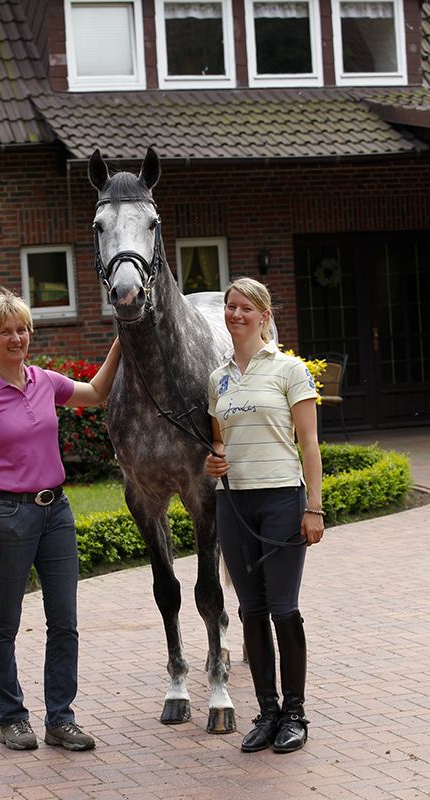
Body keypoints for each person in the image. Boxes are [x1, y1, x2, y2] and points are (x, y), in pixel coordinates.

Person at [0, 288, 121, 752]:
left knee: (64, 621)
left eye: (22, 329)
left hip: (57, 514)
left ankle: (60, 719)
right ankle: (12, 718)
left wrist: (121, 341)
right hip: (7, 516)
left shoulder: (45, 381)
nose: (16, 338)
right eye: (5, 331)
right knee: (4, 623)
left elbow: (96, 394)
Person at [205, 277, 324, 754]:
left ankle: (295, 714)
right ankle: (267, 711)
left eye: (246, 308)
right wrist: (214, 458)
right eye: (230, 307)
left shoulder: (290, 370)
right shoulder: (217, 378)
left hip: (281, 500)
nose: (236, 315)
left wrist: (314, 506)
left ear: (265, 315)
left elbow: (310, 443)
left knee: (283, 607)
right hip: (232, 502)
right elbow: (218, 438)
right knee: (250, 610)